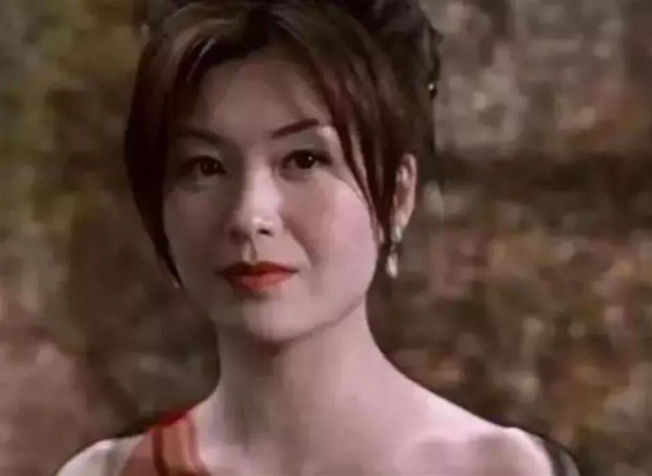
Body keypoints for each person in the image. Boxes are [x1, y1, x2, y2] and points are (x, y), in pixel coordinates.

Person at [55, 0, 581, 474]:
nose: (250, 215)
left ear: (398, 195)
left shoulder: (498, 469)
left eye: (304, 159)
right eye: (205, 166)